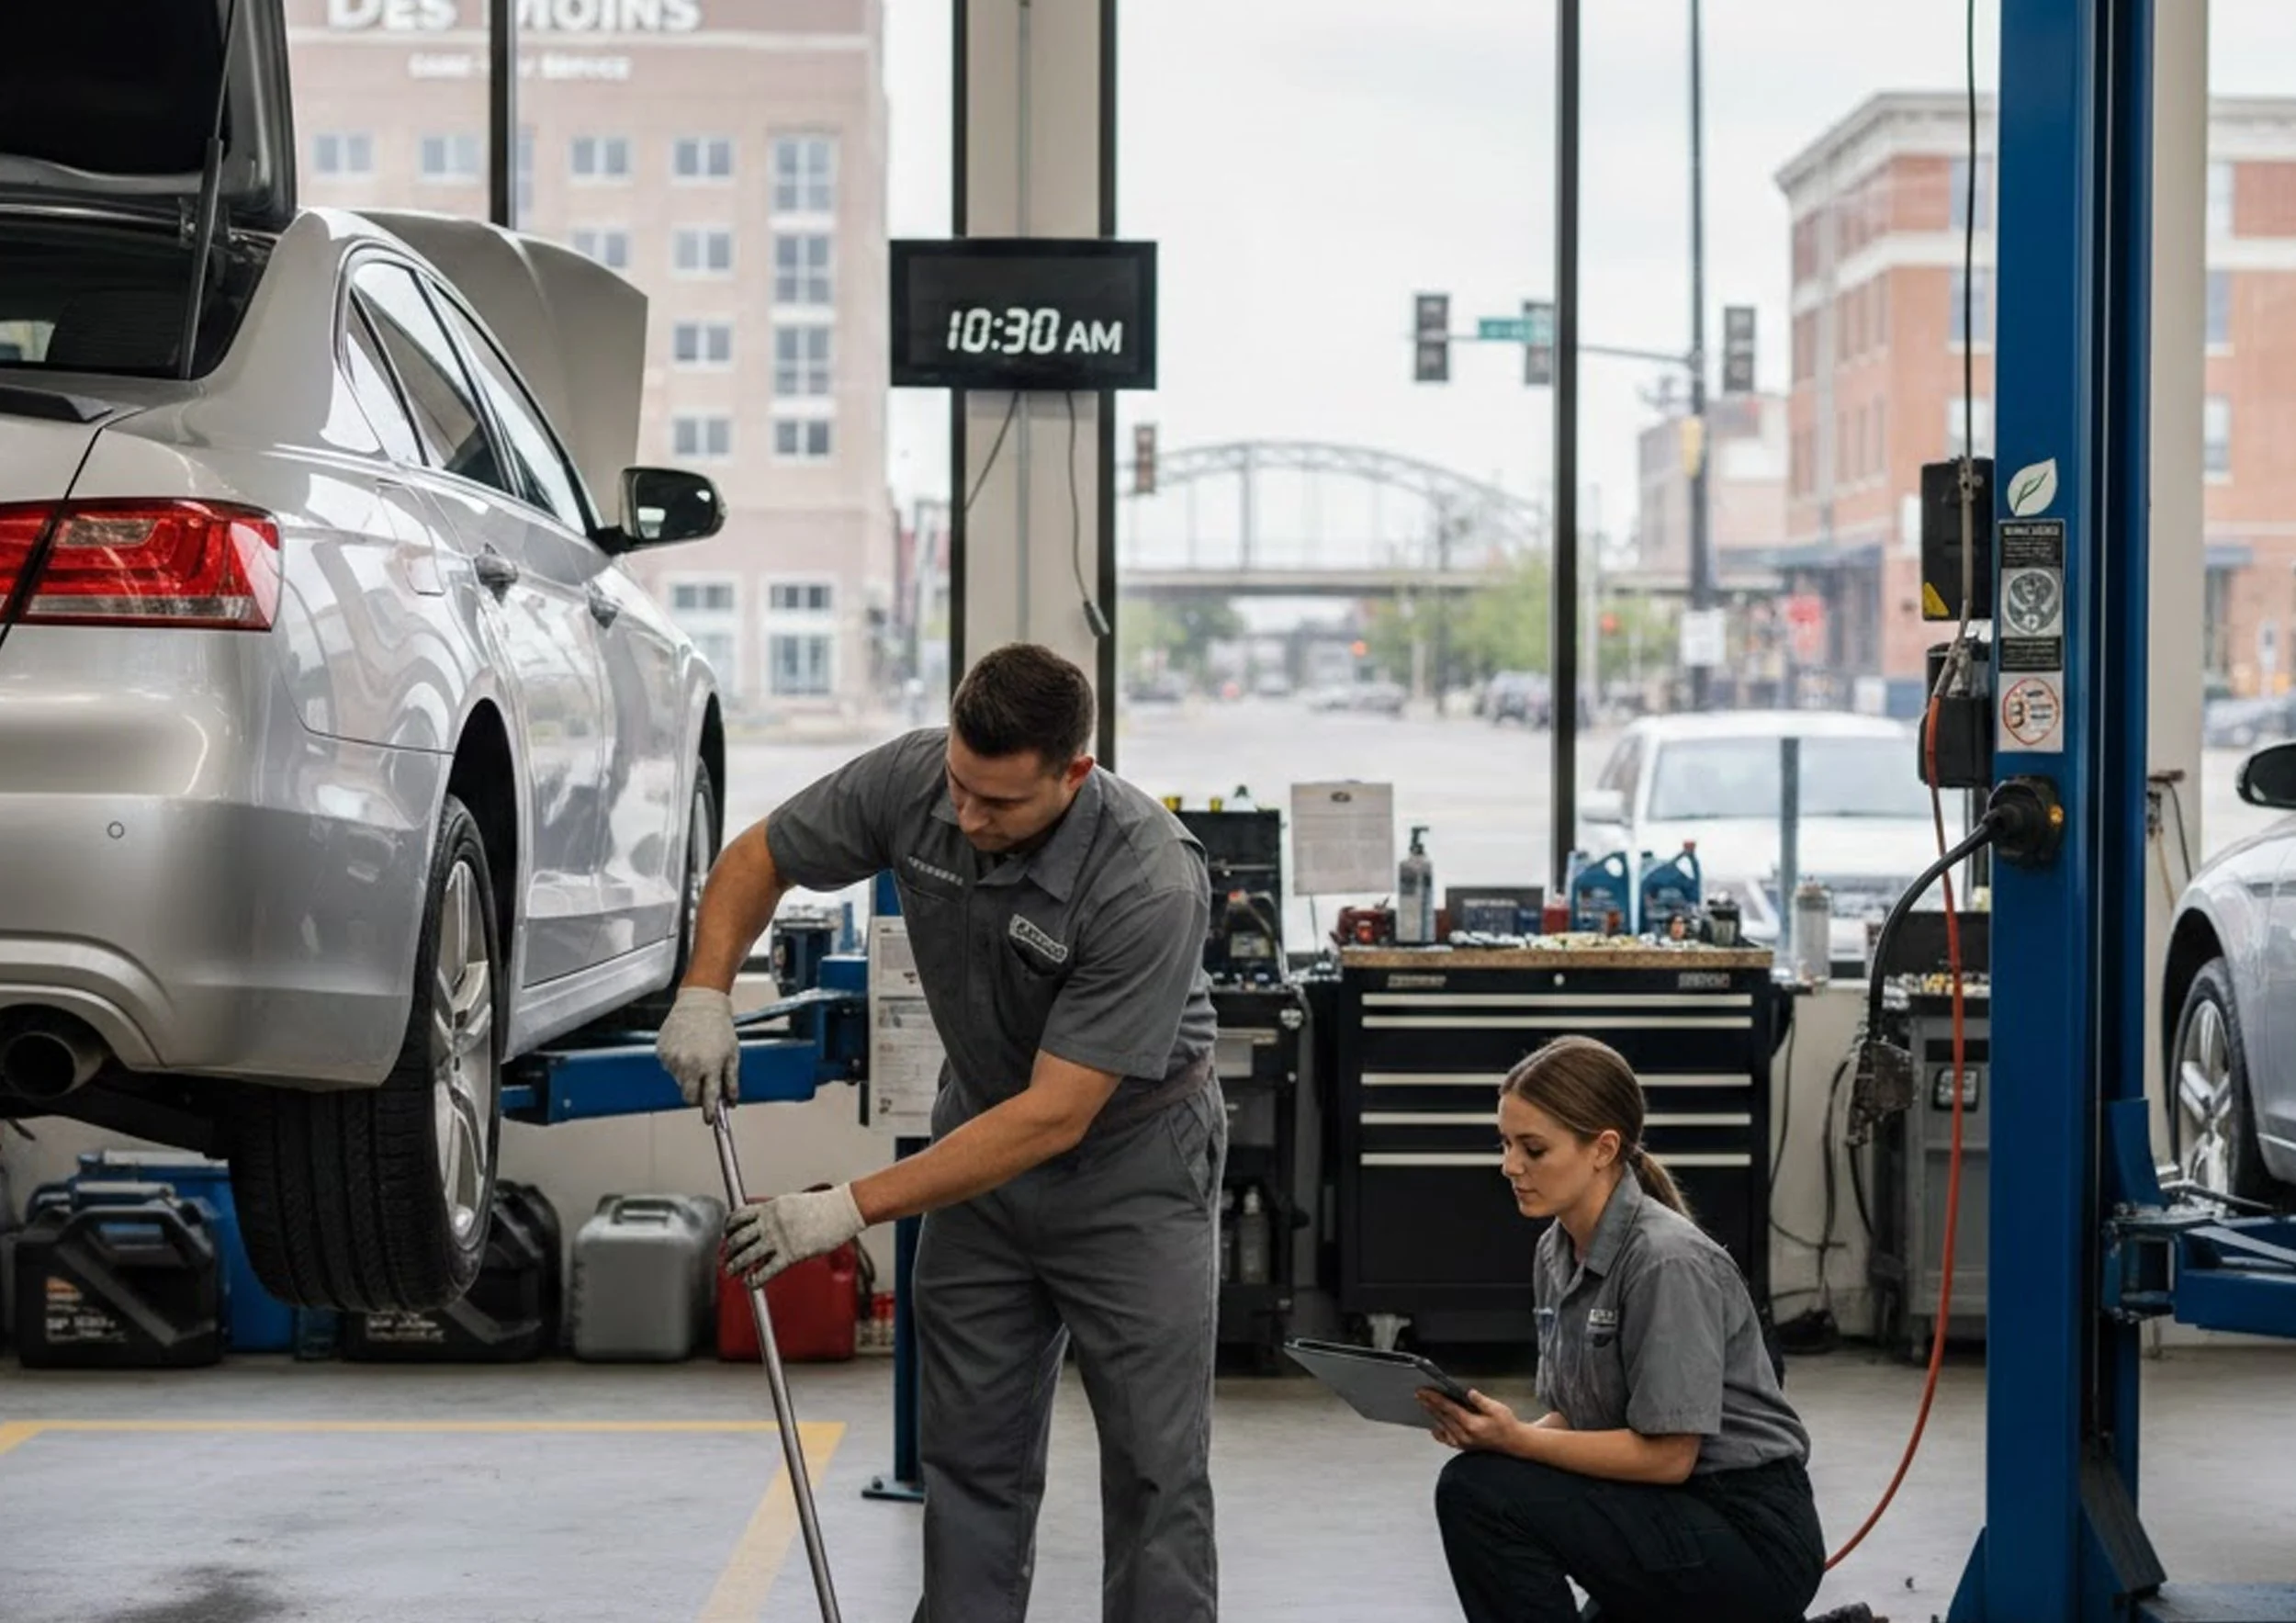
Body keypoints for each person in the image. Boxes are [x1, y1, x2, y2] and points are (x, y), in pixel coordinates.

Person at [654, 641, 1224, 1623]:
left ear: (1074, 774)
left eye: (998, 803)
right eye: (960, 786)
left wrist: (846, 1208)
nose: (965, 817)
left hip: (1130, 1166)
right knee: (967, 1452)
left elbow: (1058, 1114)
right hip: (980, 1156)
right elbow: (761, 855)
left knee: (1154, 1465)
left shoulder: (1148, 880)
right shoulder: (918, 779)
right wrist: (704, 989)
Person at [1419, 1035, 1838, 1623]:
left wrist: (1517, 1442)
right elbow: (1579, 1414)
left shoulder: (1666, 1261)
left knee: (1477, 1492)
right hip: (1667, 1512)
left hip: (1746, 1535)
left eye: (1533, 1149)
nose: (1509, 1166)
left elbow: (1669, 1456)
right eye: (1506, 1144)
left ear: (1602, 1148)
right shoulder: (1557, 1250)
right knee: (1491, 1473)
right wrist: (1496, 1433)